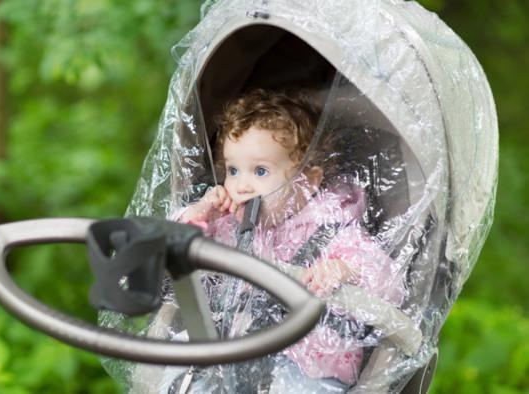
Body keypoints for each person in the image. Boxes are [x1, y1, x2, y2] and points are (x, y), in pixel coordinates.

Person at [169, 89, 406, 393]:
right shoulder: (227, 226)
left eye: (261, 171)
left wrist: (344, 270)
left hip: (307, 369)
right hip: (224, 358)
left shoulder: (330, 232)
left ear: (308, 180)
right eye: (232, 170)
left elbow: (390, 284)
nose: (241, 185)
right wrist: (199, 213)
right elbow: (173, 250)